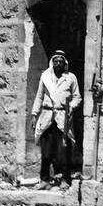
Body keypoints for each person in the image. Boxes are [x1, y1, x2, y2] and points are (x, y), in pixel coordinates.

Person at [31, 50, 82, 188]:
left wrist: (71, 106)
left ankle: (65, 179)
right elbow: (39, 96)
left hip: (62, 117)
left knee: (64, 150)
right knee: (46, 151)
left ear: (64, 63)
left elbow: (77, 97)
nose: (58, 64)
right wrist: (34, 114)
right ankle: (44, 179)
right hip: (47, 116)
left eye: (61, 61)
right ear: (52, 62)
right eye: (56, 61)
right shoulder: (45, 76)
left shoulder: (70, 78)